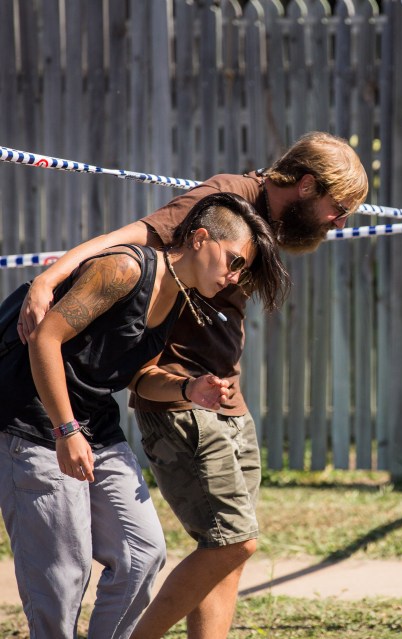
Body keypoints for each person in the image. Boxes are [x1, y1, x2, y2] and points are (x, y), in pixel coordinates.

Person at [16, 131, 369, 639]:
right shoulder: (222, 200)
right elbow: (130, 235)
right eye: (339, 208)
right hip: (180, 399)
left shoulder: (265, 220)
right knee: (231, 544)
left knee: (227, 556)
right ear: (308, 185)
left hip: (225, 401)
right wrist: (51, 278)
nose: (341, 222)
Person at [0, 192, 288, 639]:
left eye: (241, 270)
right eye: (232, 261)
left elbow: (138, 376)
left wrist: (187, 389)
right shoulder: (125, 269)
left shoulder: (178, 298)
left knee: (143, 553)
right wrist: (66, 429)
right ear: (198, 238)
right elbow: (45, 340)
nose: (233, 277)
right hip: (34, 422)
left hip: (93, 423)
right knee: (63, 576)